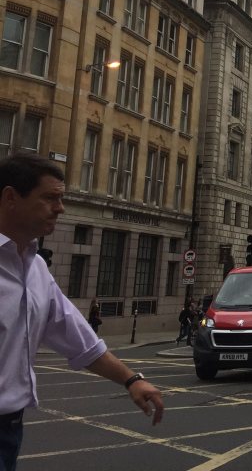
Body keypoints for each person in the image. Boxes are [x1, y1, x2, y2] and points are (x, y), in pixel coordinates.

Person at [0, 154, 164, 470]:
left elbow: (80, 340)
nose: (61, 208)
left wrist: (132, 380)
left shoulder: (35, 268)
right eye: (50, 198)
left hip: (10, 429)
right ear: (10, 198)